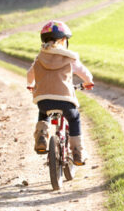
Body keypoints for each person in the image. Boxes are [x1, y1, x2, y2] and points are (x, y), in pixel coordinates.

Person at [27, 20, 94, 166]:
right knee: (74, 117)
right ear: (63, 40)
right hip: (64, 99)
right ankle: (77, 152)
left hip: (43, 99)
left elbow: (30, 73)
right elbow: (83, 72)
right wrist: (89, 81)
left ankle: (41, 137)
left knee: (44, 112)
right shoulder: (69, 58)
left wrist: (30, 85)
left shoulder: (39, 58)